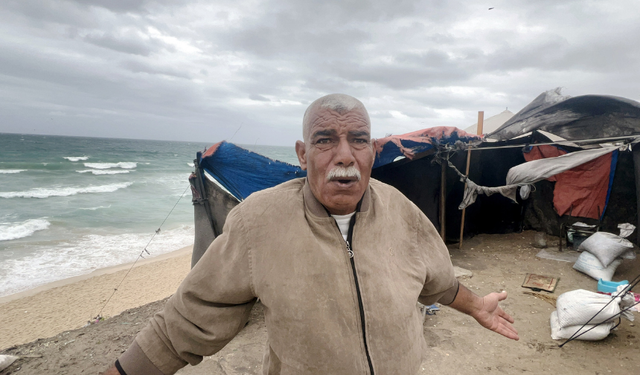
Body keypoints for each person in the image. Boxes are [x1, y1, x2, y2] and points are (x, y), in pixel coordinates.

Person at [102, 94, 518, 375]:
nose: (344, 155)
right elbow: (186, 321)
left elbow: (440, 283)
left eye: (358, 141)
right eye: (325, 140)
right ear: (302, 155)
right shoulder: (257, 222)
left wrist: (477, 305)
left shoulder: (401, 211)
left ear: (372, 151)